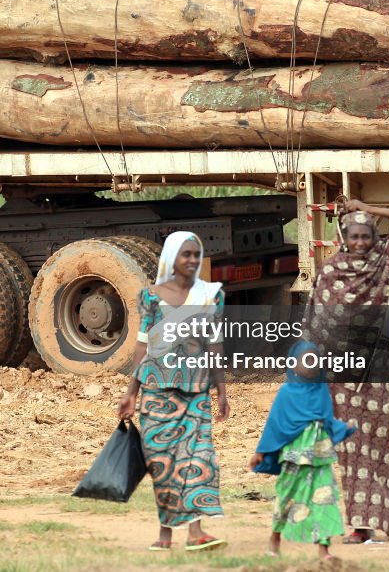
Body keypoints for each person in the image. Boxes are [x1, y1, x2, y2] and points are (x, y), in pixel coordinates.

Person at [305, 199, 389, 544]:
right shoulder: (329, 271)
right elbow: (316, 325)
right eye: (354, 236)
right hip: (339, 378)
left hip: (377, 374)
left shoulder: (384, 260)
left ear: (375, 236)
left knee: (377, 447)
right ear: (343, 237)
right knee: (348, 451)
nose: (360, 242)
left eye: (366, 235)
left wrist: (368, 206)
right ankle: (359, 525)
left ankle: (374, 519)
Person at [117, 231, 229, 552]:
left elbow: (215, 345)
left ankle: (196, 532)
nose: (193, 260)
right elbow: (143, 346)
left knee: (199, 457)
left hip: (196, 390)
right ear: (171, 259)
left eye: (196, 254)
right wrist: (131, 392)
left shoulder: (211, 296)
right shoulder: (151, 297)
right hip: (156, 391)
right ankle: (165, 534)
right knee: (162, 463)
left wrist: (221, 390)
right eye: (186, 255)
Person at [249, 339, 356, 560]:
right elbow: (275, 425)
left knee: (324, 498)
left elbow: (326, 420)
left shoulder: (321, 390)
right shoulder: (286, 392)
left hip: (320, 456)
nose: (310, 364)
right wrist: (260, 452)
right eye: (304, 360)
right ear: (293, 363)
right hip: (293, 456)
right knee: (286, 497)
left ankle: (324, 549)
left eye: (314, 360)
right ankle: (275, 538)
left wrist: (342, 427)